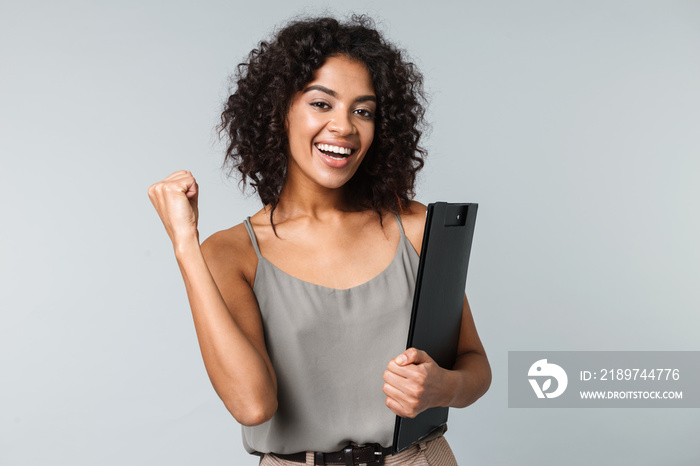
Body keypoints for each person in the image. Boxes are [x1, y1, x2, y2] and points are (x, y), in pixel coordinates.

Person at [148, 15, 491, 465]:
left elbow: (474, 365)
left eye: (363, 110)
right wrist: (184, 245)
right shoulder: (231, 254)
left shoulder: (416, 227)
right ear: (280, 109)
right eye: (321, 104)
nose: (344, 126)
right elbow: (253, 405)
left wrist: (442, 387)